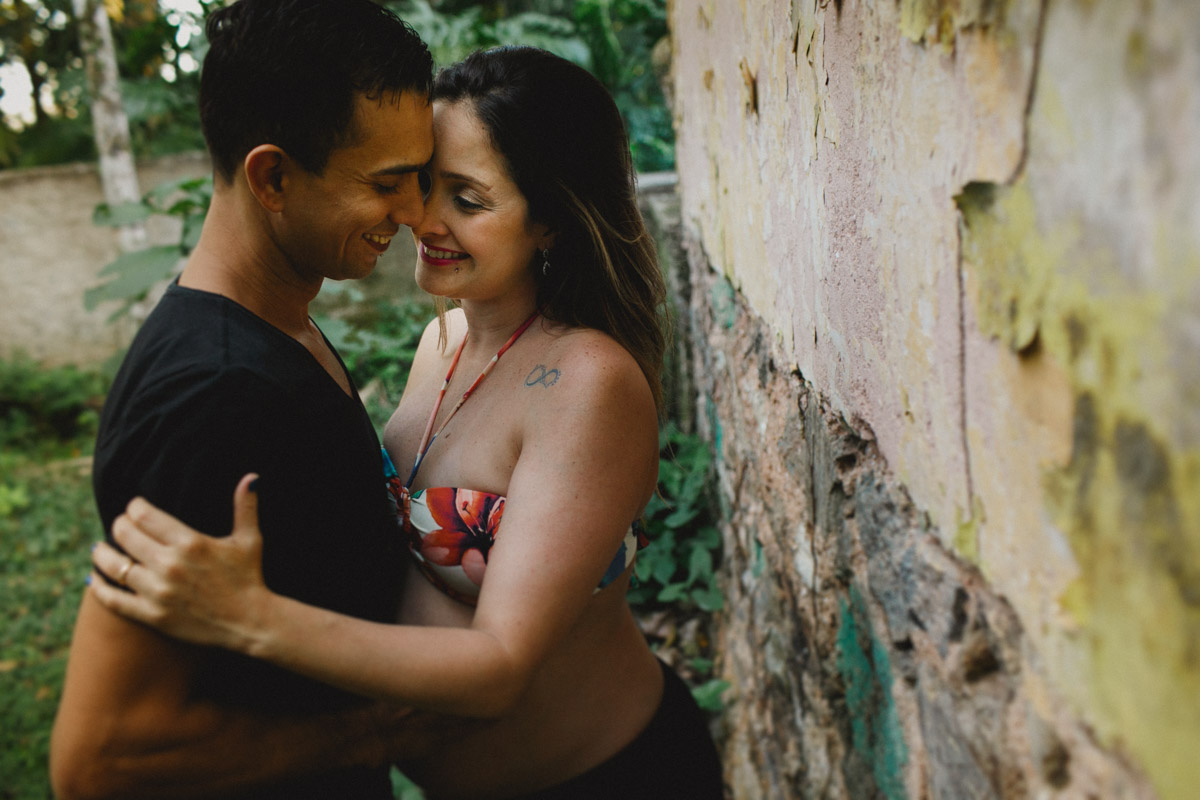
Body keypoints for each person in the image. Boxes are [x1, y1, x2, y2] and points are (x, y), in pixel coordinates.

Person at [89, 46, 725, 799]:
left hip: (609, 779)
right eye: (425, 183)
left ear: (549, 222)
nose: (423, 218)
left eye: (469, 200)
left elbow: (498, 667)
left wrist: (250, 618)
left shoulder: (586, 382)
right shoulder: (441, 343)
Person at [49, 2, 443, 798]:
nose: (414, 214)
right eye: (386, 184)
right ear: (273, 178)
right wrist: (372, 730)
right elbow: (98, 760)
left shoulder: (275, 323)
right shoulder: (215, 398)